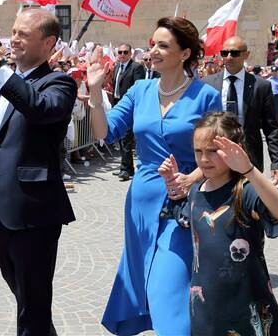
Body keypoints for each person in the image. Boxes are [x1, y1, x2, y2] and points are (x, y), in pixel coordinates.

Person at [86, 17, 222, 335]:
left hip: (185, 205)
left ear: (185, 53)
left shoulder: (206, 97)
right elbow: (104, 132)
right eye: (152, 45)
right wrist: (94, 93)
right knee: (146, 282)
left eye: (163, 45)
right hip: (141, 204)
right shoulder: (140, 90)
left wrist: (192, 178)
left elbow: (219, 153)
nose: (153, 51)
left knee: (168, 287)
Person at [0, 8, 77, 336]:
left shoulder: (60, 83)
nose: (14, 39)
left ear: (49, 42)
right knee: (26, 298)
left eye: (23, 34)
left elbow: (38, 108)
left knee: (33, 302)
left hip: (34, 212)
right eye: (13, 31)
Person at [159, 111, 278, 336]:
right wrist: (173, 184)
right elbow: (183, 217)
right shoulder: (196, 191)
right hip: (206, 307)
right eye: (198, 151)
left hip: (246, 304)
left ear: (235, 149)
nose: (203, 159)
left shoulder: (245, 191)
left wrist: (249, 170)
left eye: (213, 151)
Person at [203, 36, 278, 185]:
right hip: (215, 155)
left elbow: (271, 128)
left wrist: (277, 162)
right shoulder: (208, 84)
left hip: (249, 156)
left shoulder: (261, 86)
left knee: (246, 202)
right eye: (224, 53)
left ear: (246, 55)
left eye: (234, 53)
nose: (228, 57)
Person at [111, 43, 145, 181]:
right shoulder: (117, 67)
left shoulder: (136, 67)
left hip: (130, 108)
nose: (122, 55)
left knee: (126, 139)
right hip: (118, 105)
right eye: (120, 52)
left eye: (125, 52)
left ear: (130, 53)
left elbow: (138, 87)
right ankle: (126, 167)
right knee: (121, 138)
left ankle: (125, 169)